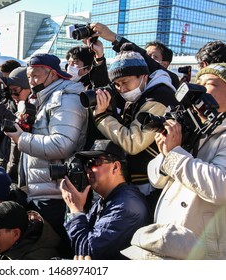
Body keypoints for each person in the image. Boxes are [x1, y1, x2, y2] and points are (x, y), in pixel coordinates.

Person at [4, 53, 88, 257]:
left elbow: (62, 145)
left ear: (52, 74)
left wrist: (21, 138)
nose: (31, 82)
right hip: (41, 190)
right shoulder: (45, 97)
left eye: (35, 76)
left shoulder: (66, 98)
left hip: (56, 195)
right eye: (29, 77)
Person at [143, 63, 226, 259]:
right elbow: (156, 179)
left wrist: (175, 153)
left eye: (210, 83)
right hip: (170, 241)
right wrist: (166, 152)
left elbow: (221, 186)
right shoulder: (197, 128)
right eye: (199, 82)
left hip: (203, 251)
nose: (201, 88)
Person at [90, 47, 178, 215]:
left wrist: (102, 117)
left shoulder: (159, 97)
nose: (121, 89)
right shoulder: (142, 94)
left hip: (153, 183)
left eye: (125, 82)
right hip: (146, 179)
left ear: (143, 76)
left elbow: (133, 143)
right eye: (116, 84)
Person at [60, 140, 150, 259]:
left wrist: (75, 210)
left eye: (95, 162)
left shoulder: (125, 206)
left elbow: (87, 252)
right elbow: (78, 239)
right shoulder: (109, 199)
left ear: (116, 167)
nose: (89, 170)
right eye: (87, 164)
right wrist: (72, 211)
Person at [89, 22, 180, 89]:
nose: (122, 88)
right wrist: (99, 56)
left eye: (153, 56)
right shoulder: (126, 88)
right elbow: (102, 88)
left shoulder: (171, 81)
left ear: (164, 64)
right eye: (146, 54)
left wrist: (114, 37)